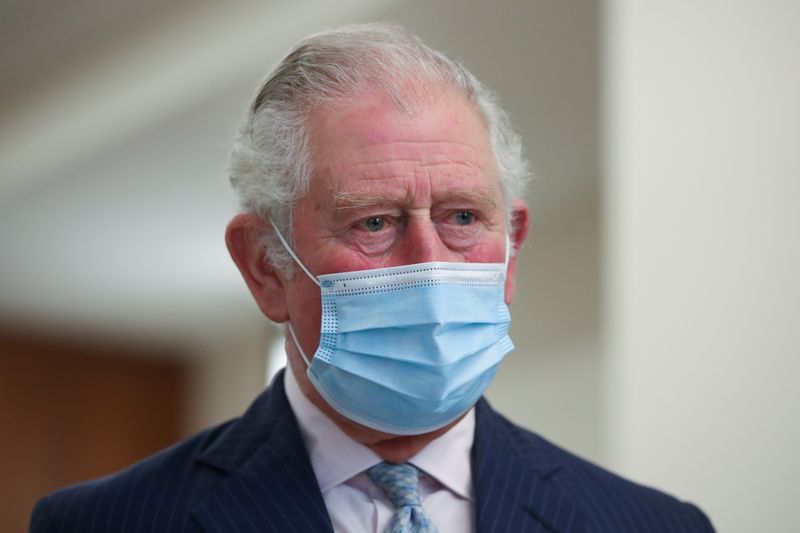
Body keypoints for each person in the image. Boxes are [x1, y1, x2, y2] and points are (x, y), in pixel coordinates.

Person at [30, 23, 714, 533]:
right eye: (375, 222)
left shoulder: (652, 524)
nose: (429, 258)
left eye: (463, 216)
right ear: (266, 266)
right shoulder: (105, 521)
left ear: (512, 252)